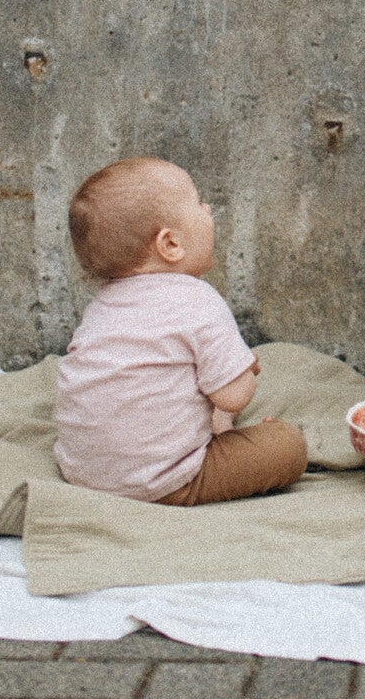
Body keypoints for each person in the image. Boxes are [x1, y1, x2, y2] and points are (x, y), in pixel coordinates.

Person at [54, 157, 307, 506]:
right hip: (163, 481)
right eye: (198, 202)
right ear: (171, 244)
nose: (208, 209)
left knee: (198, 394)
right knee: (288, 444)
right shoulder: (198, 300)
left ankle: (210, 432)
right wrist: (244, 369)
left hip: (83, 472)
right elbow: (235, 397)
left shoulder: (103, 305)